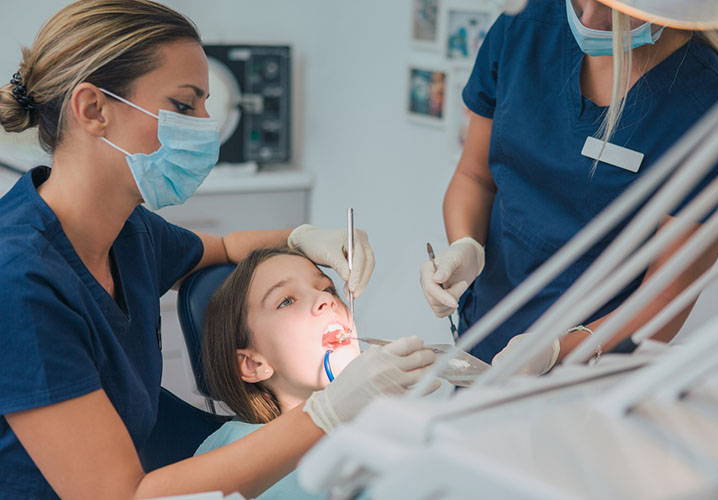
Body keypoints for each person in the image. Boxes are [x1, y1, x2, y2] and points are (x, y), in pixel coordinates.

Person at [0, 1, 433, 498]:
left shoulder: (127, 233)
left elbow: (224, 246)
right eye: (185, 106)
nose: (206, 127)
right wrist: (327, 413)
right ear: (94, 109)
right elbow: (118, 495)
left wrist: (304, 238)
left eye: (206, 105)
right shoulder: (19, 281)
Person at [419, 0, 718, 370]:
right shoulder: (524, 29)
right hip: (480, 336)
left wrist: (560, 350)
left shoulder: (713, 107)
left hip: (588, 375)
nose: (588, 17)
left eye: (614, 6)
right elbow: (474, 177)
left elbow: (664, 299)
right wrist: (465, 246)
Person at [195, 247, 437, 499]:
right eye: (286, 301)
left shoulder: (389, 427)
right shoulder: (232, 451)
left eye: (327, 289)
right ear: (252, 364)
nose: (326, 300)